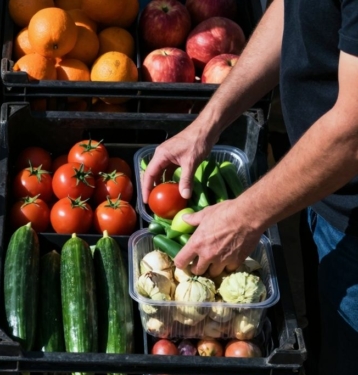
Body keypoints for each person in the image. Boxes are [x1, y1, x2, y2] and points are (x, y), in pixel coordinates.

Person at [141, 0, 358, 371]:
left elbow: (352, 134)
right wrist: (207, 123)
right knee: (320, 336)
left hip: (352, 218)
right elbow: (293, 11)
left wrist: (245, 215)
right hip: (319, 186)